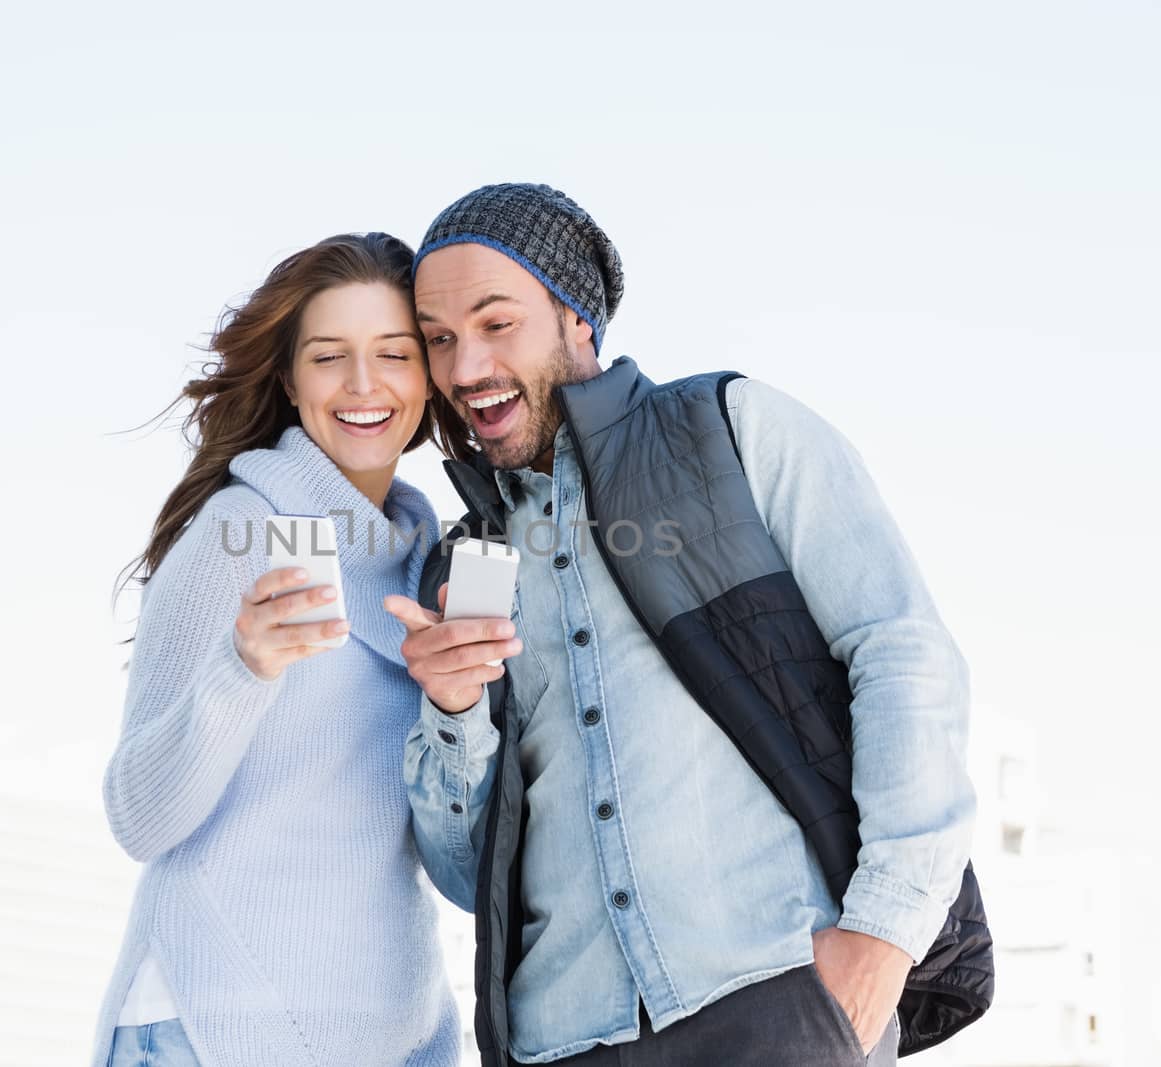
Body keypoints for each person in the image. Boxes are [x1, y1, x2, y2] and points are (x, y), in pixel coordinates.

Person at [385, 184, 992, 1067]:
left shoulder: (731, 429)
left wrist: (884, 941)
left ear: (574, 317)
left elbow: (903, 655)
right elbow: (465, 875)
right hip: (563, 1039)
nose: (464, 367)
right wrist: (452, 711)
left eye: (495, 323)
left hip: (778, 1001)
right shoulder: (462, 567)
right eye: (439, 339)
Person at [92, 232, 468, 1067]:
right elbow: (139, 816)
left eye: (394, 354)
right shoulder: (238, 532)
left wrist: (458, 708)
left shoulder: (427, 563)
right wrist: (244, 668)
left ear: (429, 376)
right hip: (214, 1028)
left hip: (389, 1039)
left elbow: (441, 860)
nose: (364, 385)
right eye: (330, 356)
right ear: (291, 380)